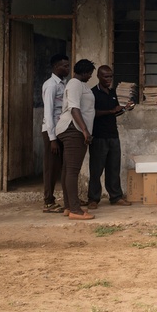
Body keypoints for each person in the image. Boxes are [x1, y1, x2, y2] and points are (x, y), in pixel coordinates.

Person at [86, 65, 133, 209]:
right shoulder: (92, 93)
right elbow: (91, 113)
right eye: (106, 76)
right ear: (99, 77)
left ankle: (116, 196)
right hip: (99, 136)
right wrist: (111, 110)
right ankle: (93, 199)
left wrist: (124, 109)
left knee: (113, 168)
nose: (109, 79)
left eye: (111, 76)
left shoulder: (112, 92)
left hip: (113, 135)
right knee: (96, 169)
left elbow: (115, 112)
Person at [56, 59, 96, 220]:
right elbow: (74, 108)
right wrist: (85, 130)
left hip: (74, 129)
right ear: (85, 72)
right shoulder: (75, 84)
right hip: (74, 130)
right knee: (72, 171)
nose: (90, 77)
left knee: (67, 170)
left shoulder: (80, 85)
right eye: (90, 74)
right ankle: (75, 210)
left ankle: (68, 206)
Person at [41, 53, 70, 213]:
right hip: (52, 131)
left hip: (62, 129)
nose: (67, 68)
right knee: (51, 167)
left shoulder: (63, 84)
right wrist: (52, 138)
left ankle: (69, 198)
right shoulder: (51, 85)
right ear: (55, 67)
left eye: (67, 66)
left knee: (66, 166)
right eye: (64, 66)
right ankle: (48, 201)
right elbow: (48, 112)